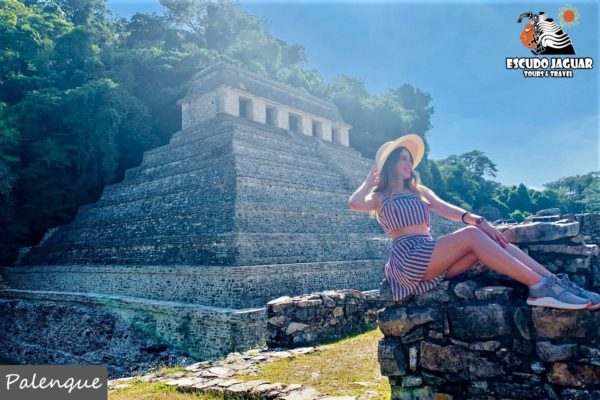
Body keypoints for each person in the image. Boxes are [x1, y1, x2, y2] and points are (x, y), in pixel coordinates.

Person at [348, 134, 600, 310]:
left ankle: (554, 283)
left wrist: (479, 220)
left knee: (492, 239)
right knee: (470, 234)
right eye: (402, 158)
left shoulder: (420, 191)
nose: (408, 162)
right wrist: (368, 183)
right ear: (390, 164)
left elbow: (448, 210)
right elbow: (354, 203)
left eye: (409, 158)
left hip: (432, 258)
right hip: (409, 258)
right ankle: (539, 288)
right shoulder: (380, 196)